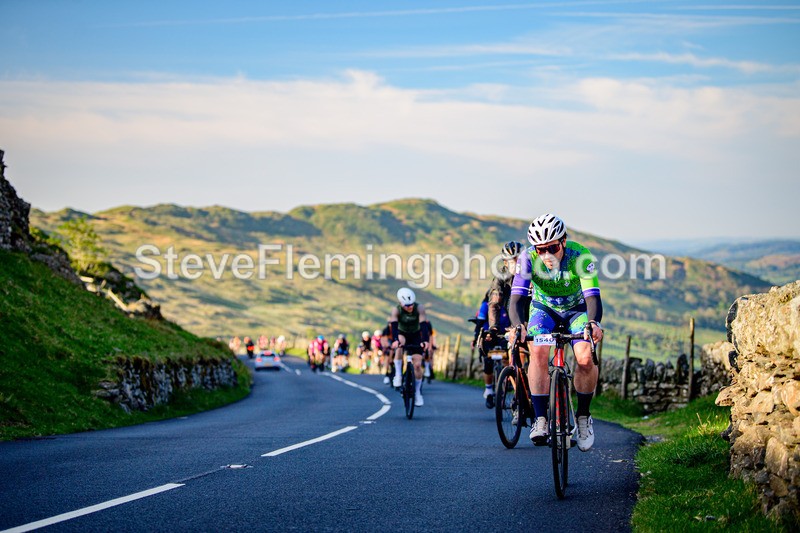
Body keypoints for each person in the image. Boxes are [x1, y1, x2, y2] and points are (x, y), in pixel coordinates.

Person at [509, 214, 604, 452]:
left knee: (584, 357)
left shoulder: (580, 255)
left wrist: (593, 323)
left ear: (563, 241)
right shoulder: (527, 258)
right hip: (544, 310)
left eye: (552, 247)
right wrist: (519, 326)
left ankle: (583, 418)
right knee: (538, 351)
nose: (546, 255)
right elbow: (516, 300)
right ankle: (540, 419)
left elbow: (592, 296)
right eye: (541, 249)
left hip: (577, 310)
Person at [478, 241, 525, 409]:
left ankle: (534, 393)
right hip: (511, 320)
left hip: (530, 315)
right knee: (509, 359)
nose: (516, 262)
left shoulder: (531, 274)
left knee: (529, 355)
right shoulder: (500, 277)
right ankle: (514, 392)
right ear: (505, 262)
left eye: (519, 259)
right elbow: (494, 305)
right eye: (512, 260)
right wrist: (493, 327)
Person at [389, 288, 430, 406]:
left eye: (411, 304)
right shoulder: (396, 310)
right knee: (400, 344)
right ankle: (398, 374)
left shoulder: (419, 308)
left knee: (417, 365)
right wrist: (395, 340)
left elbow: (423, 325)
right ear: (401, 304)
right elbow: (394, 326)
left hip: (416, 335)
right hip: (402, 333)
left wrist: (425, 341)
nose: (410, 307)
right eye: (407, 306)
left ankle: (417, 393)